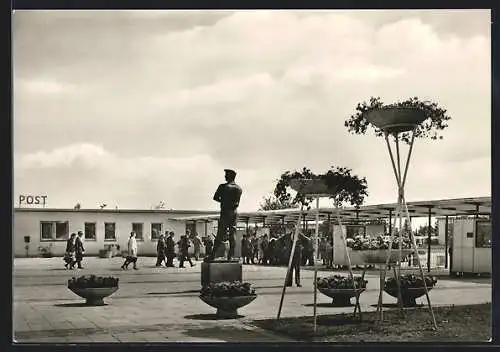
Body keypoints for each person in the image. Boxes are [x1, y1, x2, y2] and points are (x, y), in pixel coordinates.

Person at [206, 169, 242, 262]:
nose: (224, 176)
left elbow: (215, 197)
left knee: (220, 233)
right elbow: (237, 202)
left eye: (226, 175)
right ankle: (231, 256)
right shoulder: (239, 188)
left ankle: (213, 255)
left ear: (229, 176)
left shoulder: (223, 186)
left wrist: (224, 201)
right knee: (232, 233)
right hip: (234, 212)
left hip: (225, 211)